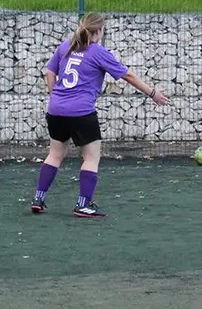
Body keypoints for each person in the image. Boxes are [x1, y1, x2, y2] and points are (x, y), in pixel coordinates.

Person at [31, 13, 169, 218]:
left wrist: (54, 95)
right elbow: (128, 75)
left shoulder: (65, 47)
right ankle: (83, 204)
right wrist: (152, 93)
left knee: (55, 155)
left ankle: (38, 199)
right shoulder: (97, 52)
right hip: (81, 112)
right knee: (91, 157)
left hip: (56, 110)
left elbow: (50, 72)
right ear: (98, 32)